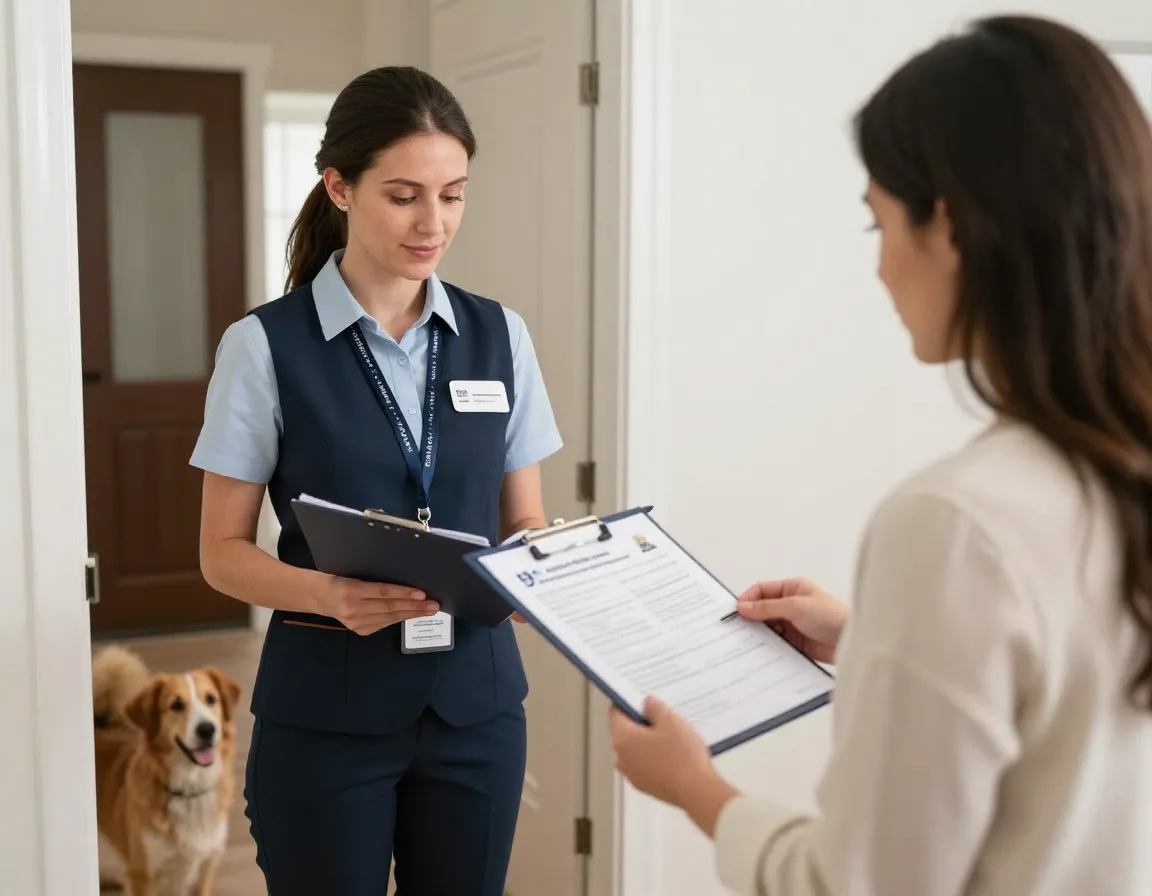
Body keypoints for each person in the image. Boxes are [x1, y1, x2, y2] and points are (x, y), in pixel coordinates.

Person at [610, 15, 1152, 895]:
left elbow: (854, 884)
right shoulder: (1114, 472)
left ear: (950, 226)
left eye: (878, 227)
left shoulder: (953, 523)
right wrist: (874, 638)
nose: (879, 270)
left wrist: (693, 787)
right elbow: (1075, 705)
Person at [190, 66, 562, 895]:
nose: (434, 223)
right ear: (340, 187)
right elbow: (221, 553)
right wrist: (327, 593)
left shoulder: (502, 336)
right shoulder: (263, 347)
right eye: (404, 195)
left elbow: (526, 519)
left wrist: (562, 559)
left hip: (478, 706)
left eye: (454, 195)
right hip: (327, 711)